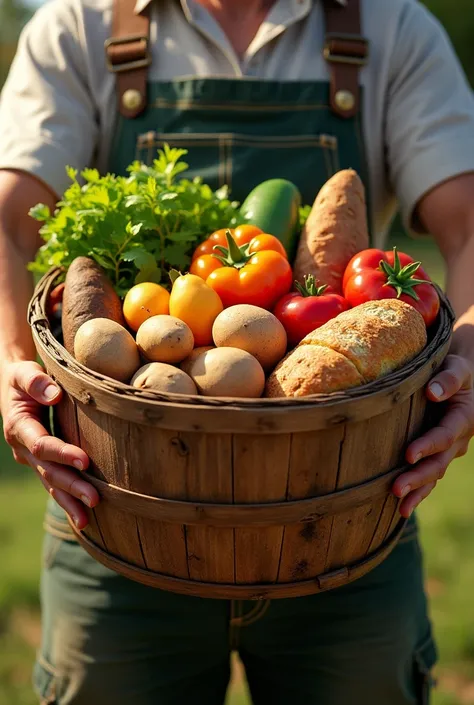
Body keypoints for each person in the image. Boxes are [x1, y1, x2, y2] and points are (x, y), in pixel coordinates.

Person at [1, 0, 474, 702]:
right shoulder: (80, 26)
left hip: (345, 510)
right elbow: (8, 226)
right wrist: (12, 361)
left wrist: (466, 361)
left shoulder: (392, 27)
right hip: (118, 509)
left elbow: (467, 231)